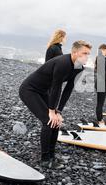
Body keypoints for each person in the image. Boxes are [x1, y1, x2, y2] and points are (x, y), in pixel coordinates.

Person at [19, 40, 92, 168]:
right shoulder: (63, 63)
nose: (87, 56)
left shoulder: (80, 68)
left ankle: (52, 156)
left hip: (43, 92)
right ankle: (45, 159)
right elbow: (56, 88)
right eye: (84, 53)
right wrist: (52, 111)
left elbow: (68, 90)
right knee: (49, 121)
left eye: (88, 54)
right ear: (74, 53)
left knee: (57, 121)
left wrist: (59, 111)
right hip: (29, 90)